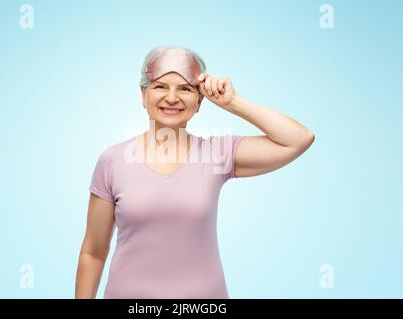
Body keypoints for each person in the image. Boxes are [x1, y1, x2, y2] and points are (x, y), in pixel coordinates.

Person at [75, 45, 315, 299]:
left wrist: (233, 102)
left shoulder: (217, 154)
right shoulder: (113, 160)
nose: (171, 98)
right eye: (160, 86)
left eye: (185, 89)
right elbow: (93, 251)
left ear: (200, 101)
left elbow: (299, 139)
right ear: (143, 94)